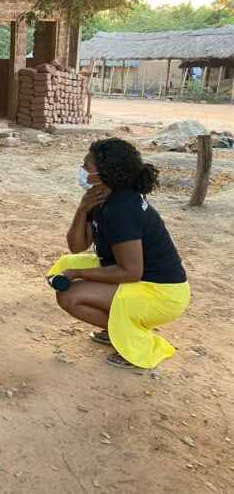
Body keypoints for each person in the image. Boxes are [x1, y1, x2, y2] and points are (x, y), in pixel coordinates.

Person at [46, 138, 190, 369]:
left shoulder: (121, 209)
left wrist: (77, 273)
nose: (82, 171)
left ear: (105, 173)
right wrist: (82, 209)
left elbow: (131, 271)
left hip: (162, 294)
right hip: (143, 279)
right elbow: (77, 245)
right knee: (64, 266)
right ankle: (118, 327)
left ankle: (133, 340)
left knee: (69, 296)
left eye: (87, 167)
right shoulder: (102, 197)